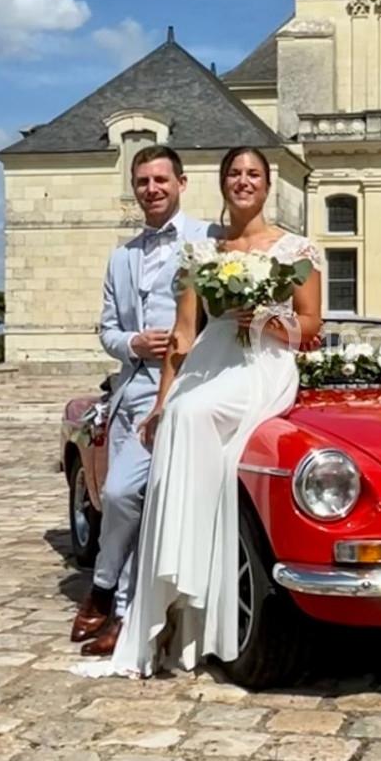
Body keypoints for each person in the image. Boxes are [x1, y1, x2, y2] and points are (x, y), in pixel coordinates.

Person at [74, 145, 322, 678]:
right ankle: (166, 602)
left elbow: (311, 329)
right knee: (179, 419)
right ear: (220, 182)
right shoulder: (203, 251)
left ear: (268, 183)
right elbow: (183, 336)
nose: (243, 181)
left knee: (193, 417)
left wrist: (265, 316)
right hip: (206, 365)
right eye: (234, 173)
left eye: (253, 173)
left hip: (263, 364)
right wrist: (162, 402)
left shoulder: (297, 247)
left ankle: (177, 589)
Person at [70, 144, 223, 656]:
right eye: (142, 182)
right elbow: (108, 330)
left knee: (143, 496)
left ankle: (116, 606)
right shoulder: (122, 256)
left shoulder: (211, 240)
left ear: (182, 183)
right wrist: (133, 343)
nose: (152, 189)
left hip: (192, 384)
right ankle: (106, 590)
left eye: (161, 180)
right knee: (118, 495)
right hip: (134, 387)